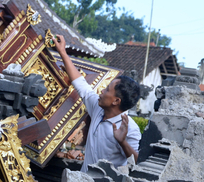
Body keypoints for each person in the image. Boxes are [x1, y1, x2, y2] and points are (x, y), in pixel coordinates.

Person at [54, 35, 142, 172]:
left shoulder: (130, 128)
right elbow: (81, 84)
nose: (101, 90)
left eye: (107, 90)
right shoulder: (97, 108)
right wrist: (62, 52)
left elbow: (136, 161)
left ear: (116, 101)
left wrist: (122, 142)